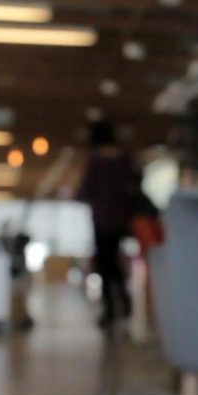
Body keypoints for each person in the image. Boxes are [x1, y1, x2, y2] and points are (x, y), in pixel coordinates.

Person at [77, 121, 138, 328]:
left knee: (105, 263)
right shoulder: (123, 158)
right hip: (121, 218)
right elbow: (134, 182)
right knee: (114, 261)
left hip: (102, 220)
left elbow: (86, 188)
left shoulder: (95, 160)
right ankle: (125, 301)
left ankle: (111, 308)